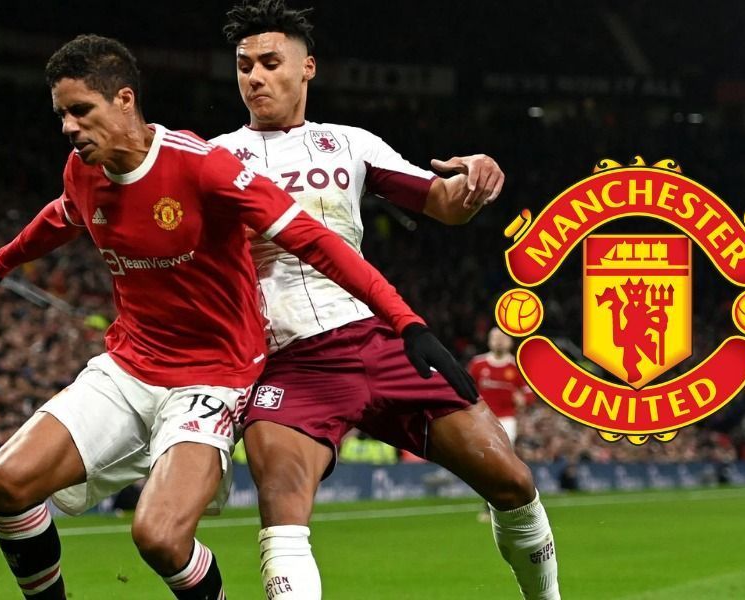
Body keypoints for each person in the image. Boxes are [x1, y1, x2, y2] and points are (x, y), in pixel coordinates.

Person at [0, 34, 463, 600]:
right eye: (61, 115)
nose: (69, 128)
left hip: (214, 377)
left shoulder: (205, 168)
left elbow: (315, 241)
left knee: (159, 537)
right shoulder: (82, 171)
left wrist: (406, 322)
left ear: (125, 100)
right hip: (131, 365)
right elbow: (61, 217)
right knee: (5, 481)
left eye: (81, 111)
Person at [211, 2, 560, 598]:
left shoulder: (349, 144)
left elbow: (444, 201)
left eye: (271, 62)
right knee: (282, 508)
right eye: (244, 65)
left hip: (380, 339)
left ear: (308, 68)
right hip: (286, 357)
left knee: (511, 480)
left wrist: (474, 176)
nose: (255, 77)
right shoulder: (214, 157)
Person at [468, 327, 535, 521]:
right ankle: (495, 501)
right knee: (485, 462)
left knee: (501, 459)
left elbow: (529, 393)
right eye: (494, 337)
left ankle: (496, 505)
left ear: (509, 342)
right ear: (489, 341)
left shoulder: (517, 366)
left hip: (506, 418)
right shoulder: (478, 364)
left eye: (502, 338)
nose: (498, 341)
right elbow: (466, 387)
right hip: (482, 418)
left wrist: (523, 399)